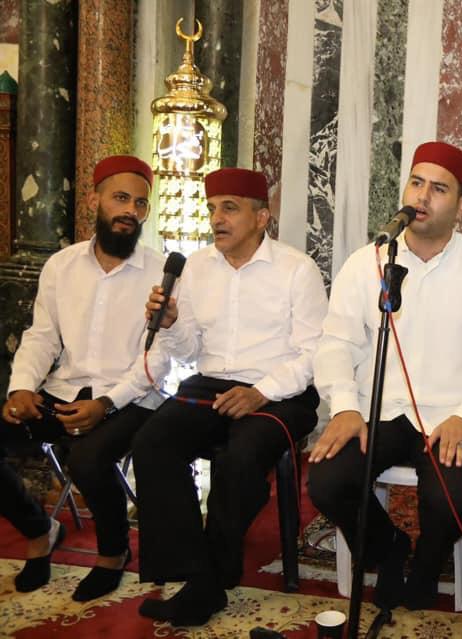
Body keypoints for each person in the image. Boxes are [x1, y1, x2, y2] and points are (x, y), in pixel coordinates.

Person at [307, 141, 462, 611]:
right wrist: (345, 407)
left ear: (461, 206)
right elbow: (336, 343)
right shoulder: (367, 262)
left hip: (452, 416)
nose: (422, 197)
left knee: (454, 498)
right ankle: (389, 548)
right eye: (416, 182)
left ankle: (428, 565)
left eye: (440, 188)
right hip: (380, 410)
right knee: (327, 480)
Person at [132, 168, 328, 627]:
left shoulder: (297, 270)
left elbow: (314, 353)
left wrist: (261, 392)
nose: (217, 218)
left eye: (230, 208)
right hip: (212, 382)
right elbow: (189, 351)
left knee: (239, 457)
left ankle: (208, 583)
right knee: (151, 442)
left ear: (262, 218)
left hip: (283, 392)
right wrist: (171, 323)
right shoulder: (197, 267)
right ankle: (200, 574)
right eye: (213, 208)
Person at [1, 155, 167, 600]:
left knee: (89, 459)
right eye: (120, 198)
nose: (131, 210)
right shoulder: (62, 265)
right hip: (64, 389)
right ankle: (39, 531)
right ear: (94, 200)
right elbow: (41, 337)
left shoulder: (161, 272)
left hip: (133, 399)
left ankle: (114, 554)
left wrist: (107, 404)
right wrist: (21, 386)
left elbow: (159, 358)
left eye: (140, 203)